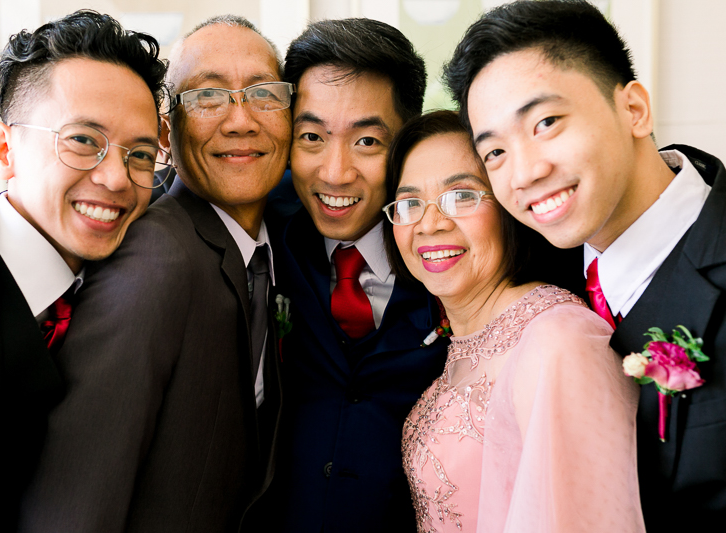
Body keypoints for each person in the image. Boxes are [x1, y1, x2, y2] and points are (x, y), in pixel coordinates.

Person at [444, 1, 726, 529]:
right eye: (495, 153)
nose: (524, 174)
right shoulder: (537, 278)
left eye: (546, 123)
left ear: (634, 109)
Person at [16, 15, 288, 533]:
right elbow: (76, 496)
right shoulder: (154, 257)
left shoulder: (270, 245)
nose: (241, 121)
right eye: (208, 97)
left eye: (263, 94)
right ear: (167, 132)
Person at [0, 11, 167, 531]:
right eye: (83, 140)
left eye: (141, 155)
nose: (117, 179)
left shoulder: (137, 285)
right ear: (3, 150)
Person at [385, 110, 643, 533]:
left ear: (510, 205)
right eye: (410, 203)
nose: (429, 224)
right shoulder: (462, 339)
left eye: (461, 196)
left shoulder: (559, 339)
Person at [265, 18, 450, 533]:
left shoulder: (452, 245)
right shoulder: (264, 227)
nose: (335, 173)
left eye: (367, 141)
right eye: (311, 137)